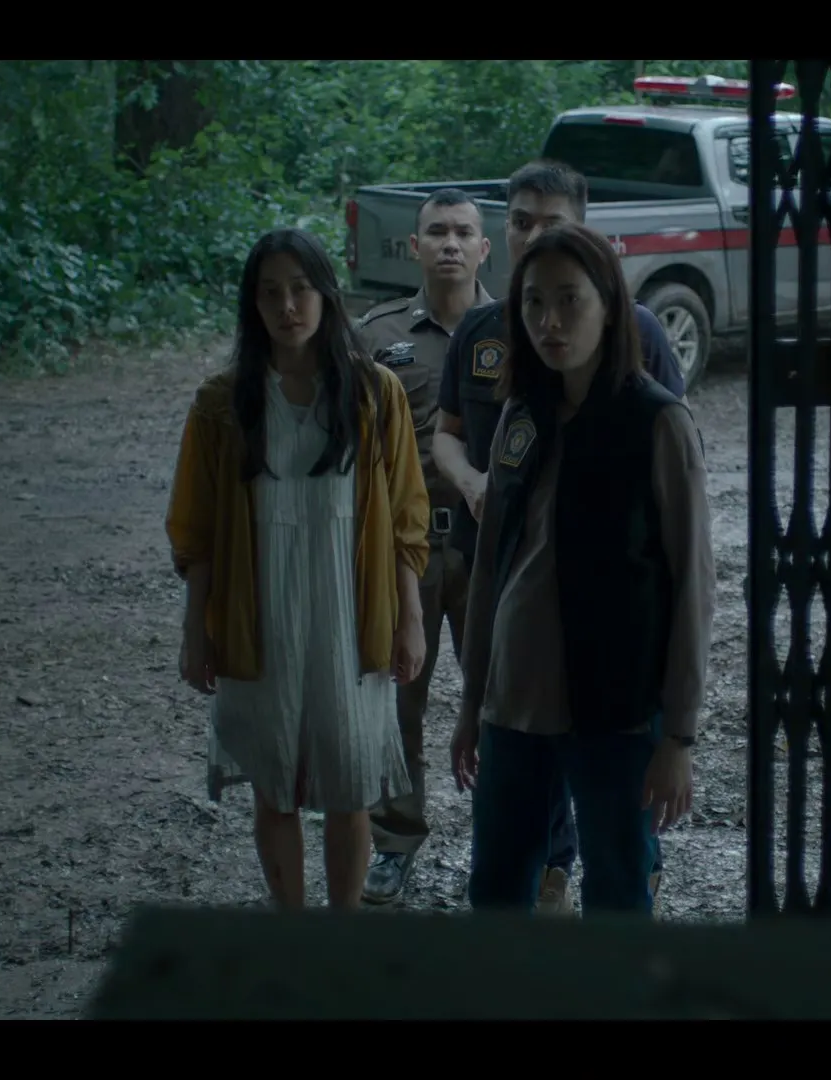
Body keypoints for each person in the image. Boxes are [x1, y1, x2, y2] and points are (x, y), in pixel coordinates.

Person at [432, 159, 688, 915]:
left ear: (606, 301)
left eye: (569, 300)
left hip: (615, 702)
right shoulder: (518, 408)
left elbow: (690, 584)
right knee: (497, 887)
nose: (549, 322)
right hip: (514, 700)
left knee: (617, 886)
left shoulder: (654, 417)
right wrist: (472, 703)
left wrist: (679, 736)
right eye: (534, 303)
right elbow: (492, 569)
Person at [166, 227, 431, 912]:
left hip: (351, 613)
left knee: (350, 783)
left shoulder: (375, 393)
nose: (288, 306)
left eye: (301, 289)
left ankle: (340, 933)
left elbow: (407, 516)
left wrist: (410, 618)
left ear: (327, 295)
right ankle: (292, 928)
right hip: (261, 614)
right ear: (252, 304)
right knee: (274, 783)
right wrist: (196, 631)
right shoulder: (223, 403)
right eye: (271, 293)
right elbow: (197, 530)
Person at [352, 188, 495, 905]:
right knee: (397, 700)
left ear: (484, 249)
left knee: (498, 699)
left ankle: (503, 843)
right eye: (436, 232)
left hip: (489, 547)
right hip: (404, 551)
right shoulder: (376, 335)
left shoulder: (515, 329)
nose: (449, 244)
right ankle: (394, 840)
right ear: (414, 247)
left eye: (463, 232)